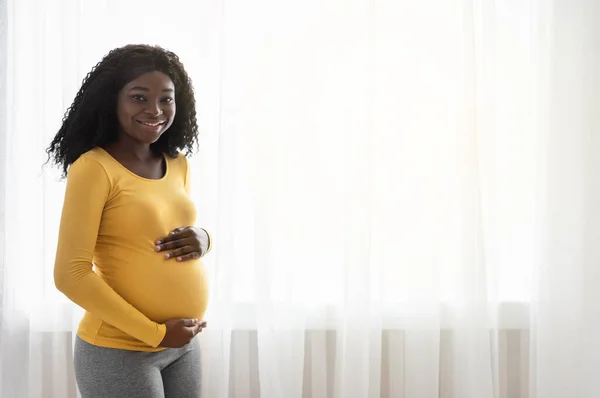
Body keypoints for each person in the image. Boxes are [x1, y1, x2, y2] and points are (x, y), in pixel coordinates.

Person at [46, 44, 211, 398]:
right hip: (119, 350)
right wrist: (156, 333)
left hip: (183, 345)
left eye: (166, 99)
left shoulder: (177, 162)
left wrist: (204, 238)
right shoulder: (94, 168)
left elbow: (162, 226)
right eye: (139, 97)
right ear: (112, 101)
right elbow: (70, 274)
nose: (155, 110)